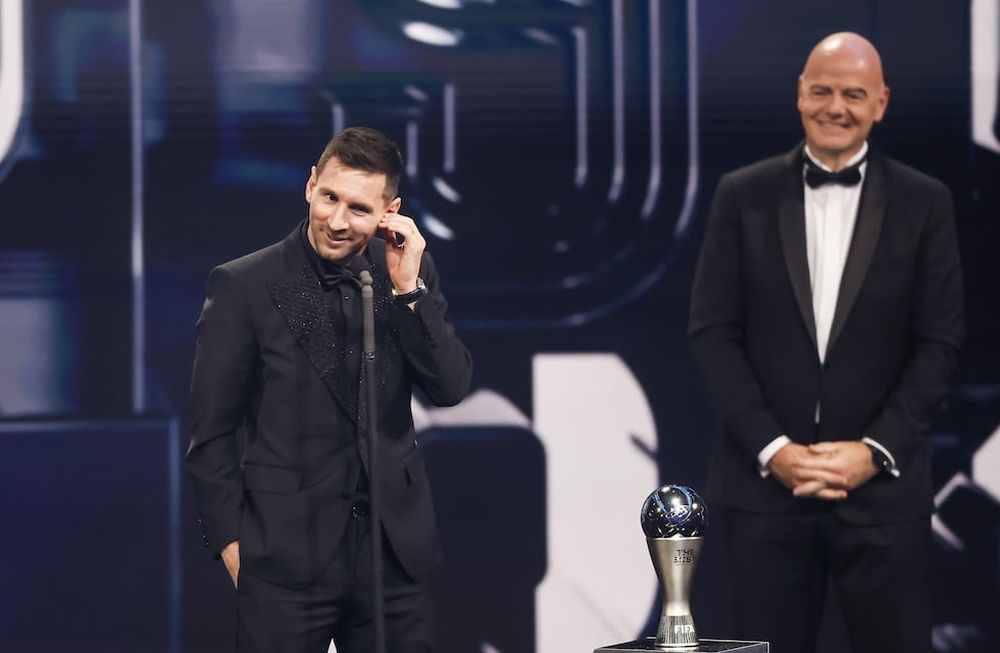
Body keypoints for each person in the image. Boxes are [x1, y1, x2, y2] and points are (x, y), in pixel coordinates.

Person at [688, 33, 963, 653]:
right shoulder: (742, 194)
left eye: (853, 94)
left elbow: (940, 344)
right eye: (822, 90)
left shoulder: (926, 203)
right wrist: (775, 448)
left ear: (881, 103)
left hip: (884, 495)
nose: (835, 106)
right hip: (765, 494)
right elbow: (712, 333)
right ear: (799, 95)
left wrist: (873, 450)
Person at [185, 126, 473, 653]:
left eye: (359, 209)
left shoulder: (404, 272)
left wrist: (411, 292)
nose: (337, 222)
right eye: (329, 198)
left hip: (393, 555)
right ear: (311, 184)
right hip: (284, 561)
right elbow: (209, 435)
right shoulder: (243, 284)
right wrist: (231, 545)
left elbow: (450, 387)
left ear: (391, 211)